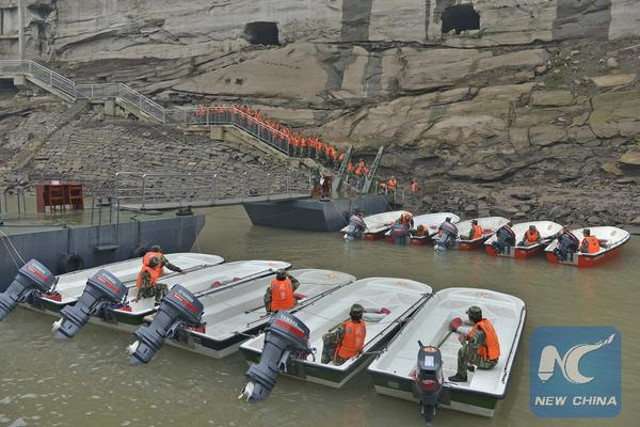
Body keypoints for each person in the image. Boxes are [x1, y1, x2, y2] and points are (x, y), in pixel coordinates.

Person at [448, 306, 500, 383]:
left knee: (462, 352)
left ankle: (461, 376)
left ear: (470, 317)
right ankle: (469, 365)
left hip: (488, 363)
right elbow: (479, 339)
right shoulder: (485, 323)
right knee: (472, 348)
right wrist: (469, 337)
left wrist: (462, 341)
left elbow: (470, 351)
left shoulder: (478, 333)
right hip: (493, 359)